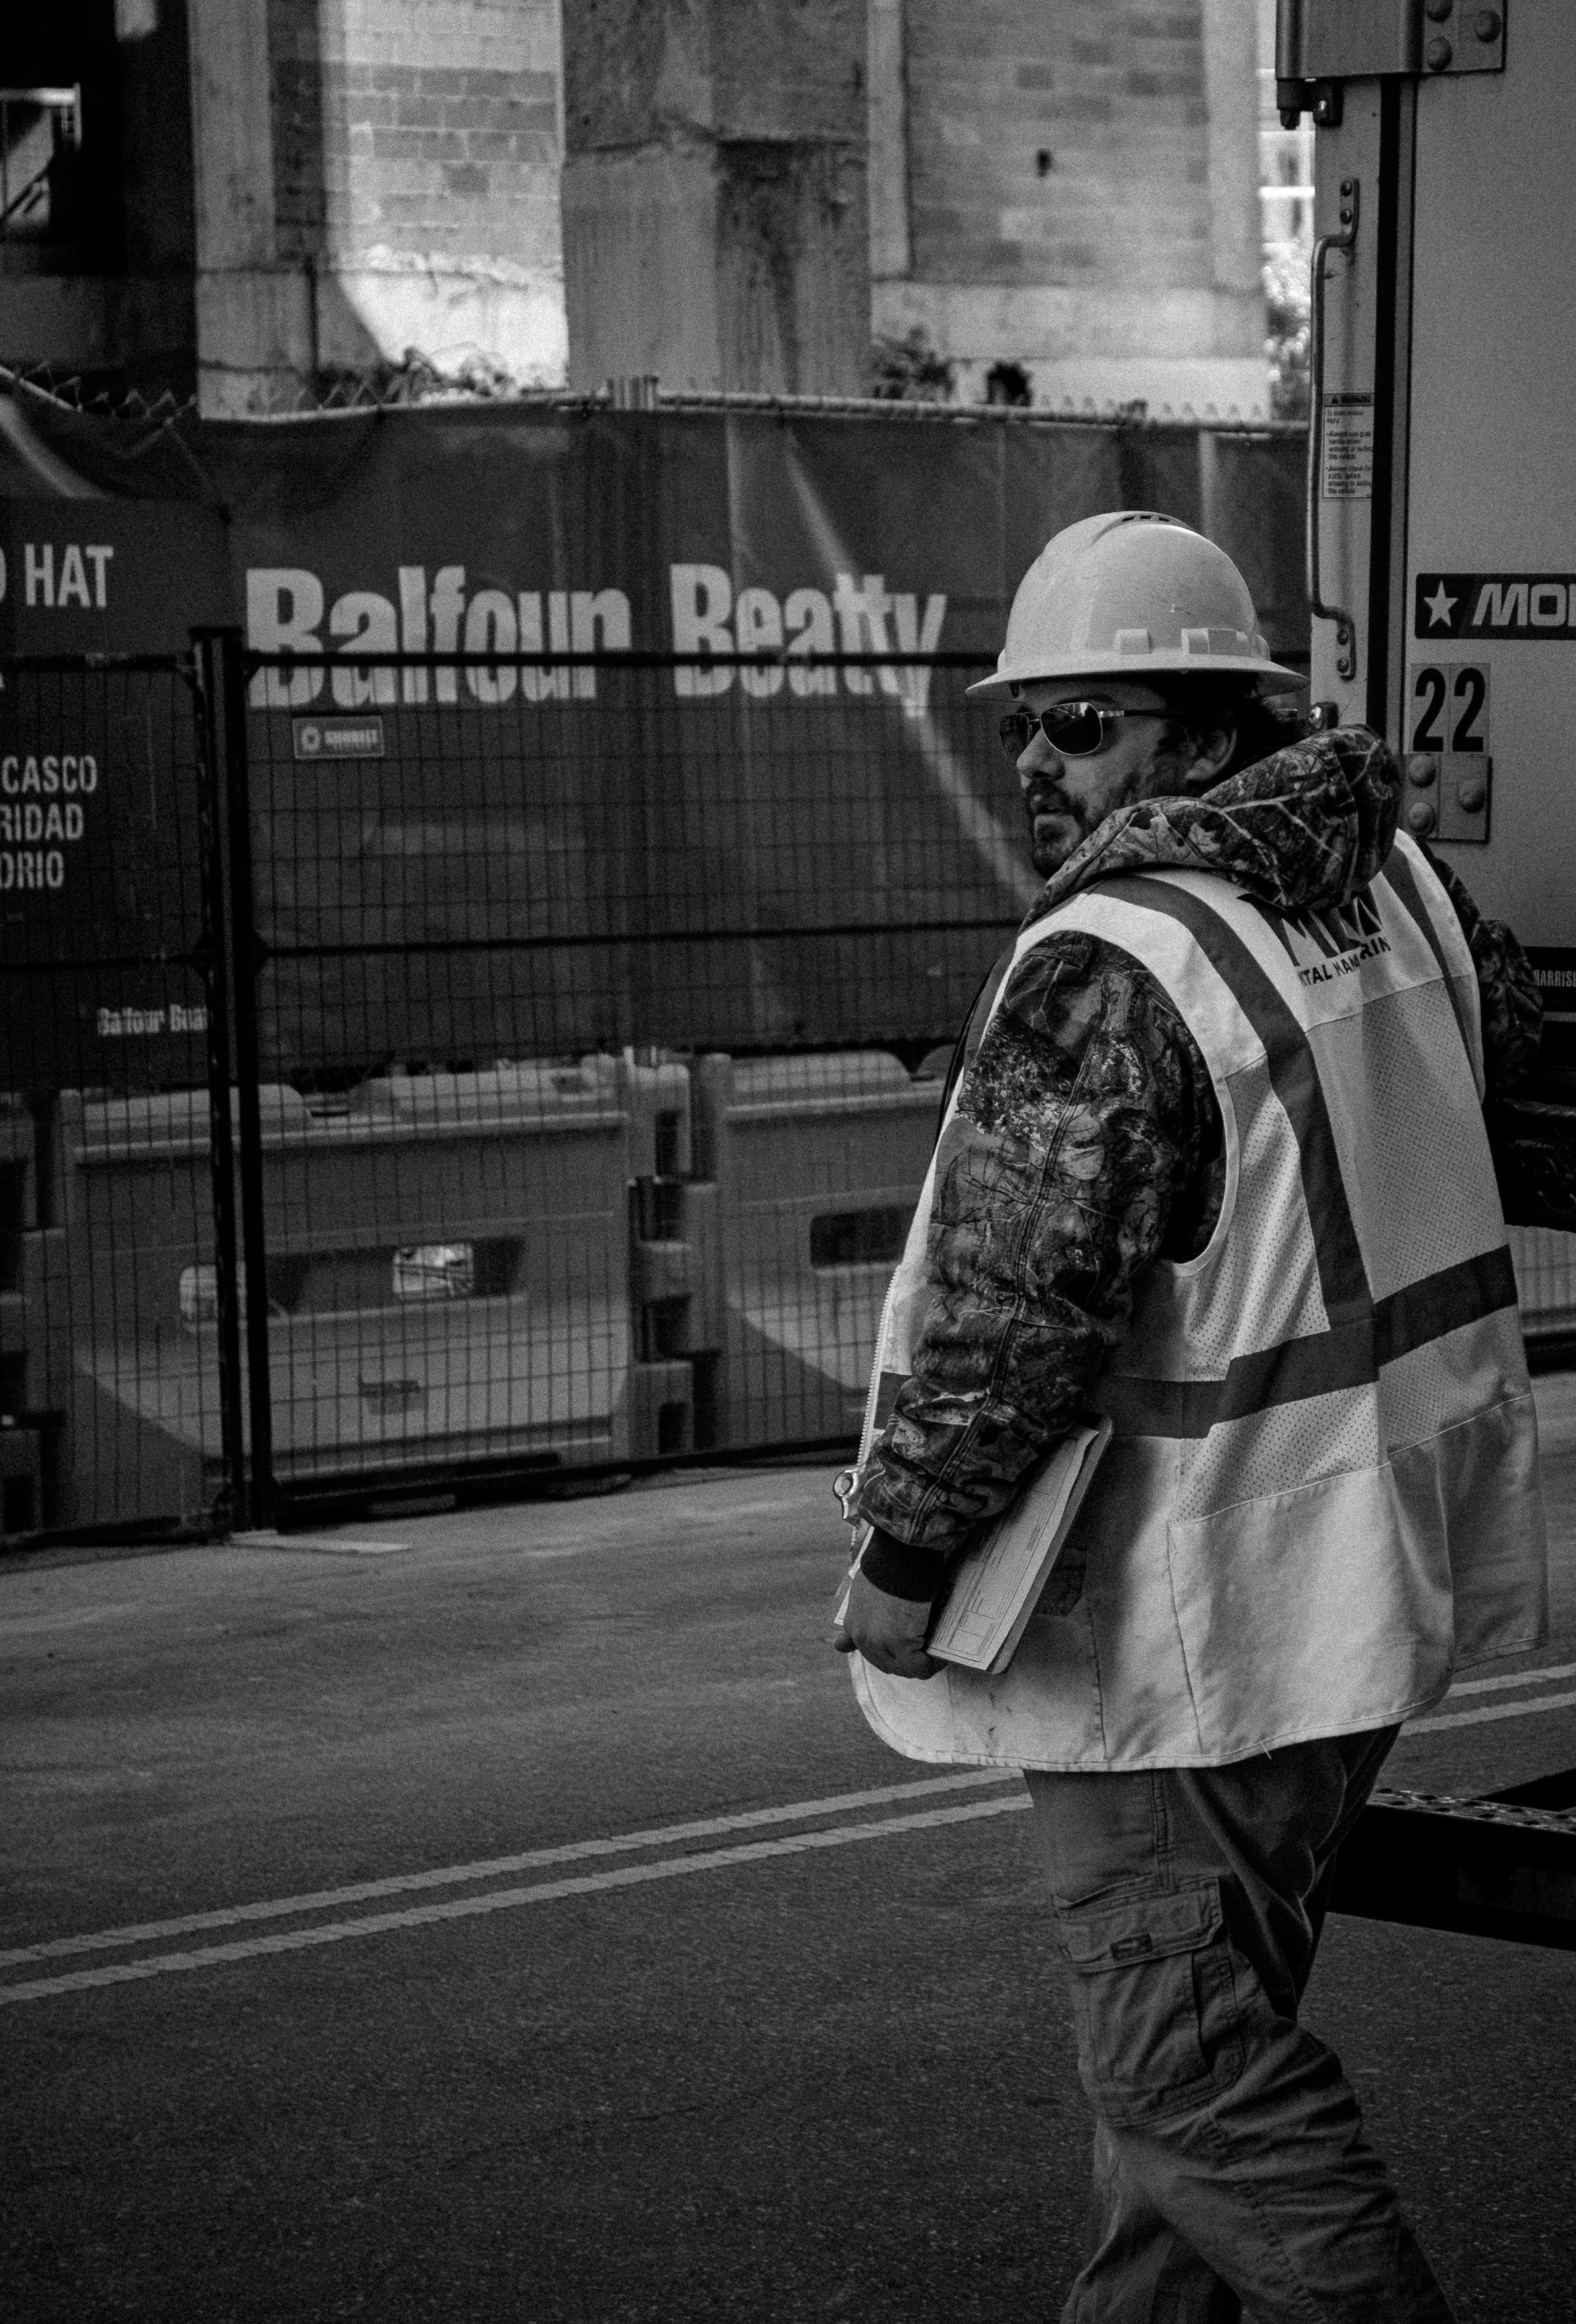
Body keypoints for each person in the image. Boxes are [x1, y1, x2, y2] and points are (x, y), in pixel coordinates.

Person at [832, 511, 1549, 2323]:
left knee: (1183, 2080)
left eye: (1082, 725)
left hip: (1196, 1630)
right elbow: (1514, 1085)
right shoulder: (1398, 892)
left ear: (1202, 724)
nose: (1038, 767)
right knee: (1187, 2092)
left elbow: (1012, 1312)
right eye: (1022, 729)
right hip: (1360, 1601)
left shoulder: (1111, 964)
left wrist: (908, 1558)